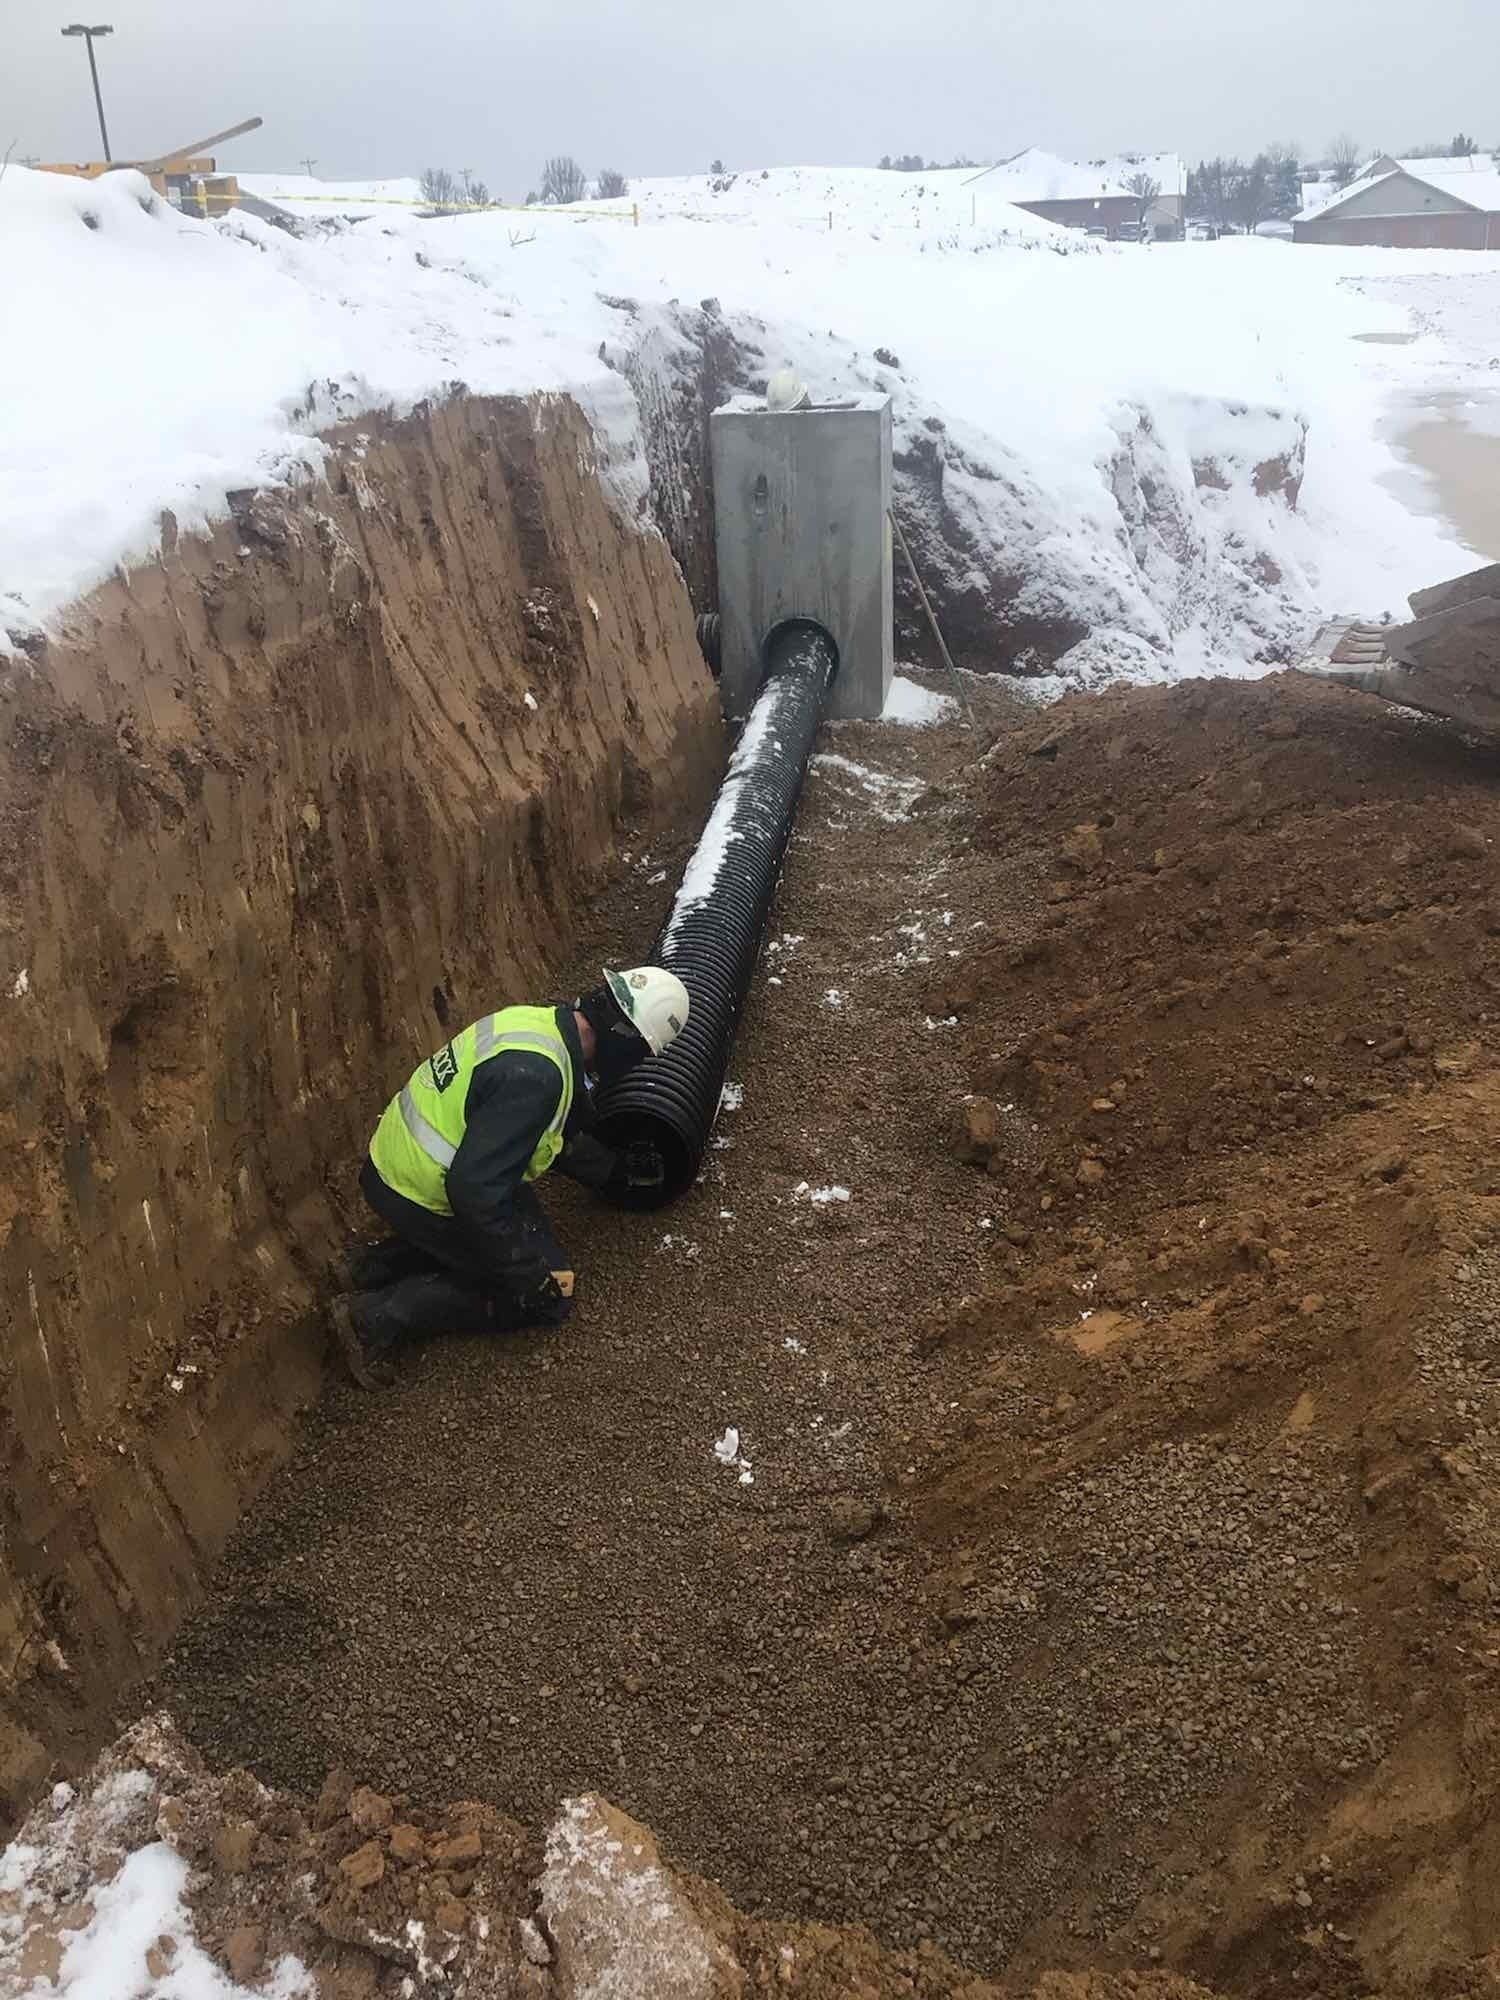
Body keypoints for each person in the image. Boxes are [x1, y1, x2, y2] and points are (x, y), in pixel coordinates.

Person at [331, 967, 689, 1387]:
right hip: (423, 1191)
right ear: (625, 1041)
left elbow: (545, 1135)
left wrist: (612, 1174)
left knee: (512, 1234)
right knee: (547, 1292)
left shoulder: (536, 1026)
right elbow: (474, 1194)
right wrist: (524, 1273)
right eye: (641, 1053)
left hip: (399, 1161)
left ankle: (366, 1267)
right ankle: (372, 1319)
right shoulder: (539, 1079)